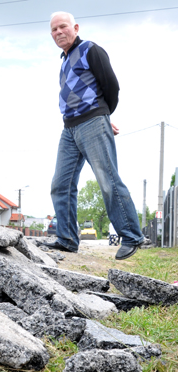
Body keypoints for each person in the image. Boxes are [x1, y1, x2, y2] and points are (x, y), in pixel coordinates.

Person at [45, 11, 144, 260]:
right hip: (69, 129)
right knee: (60, 185)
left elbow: (111, 85)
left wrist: (103, 116)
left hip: (92, 122)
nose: (58, 32)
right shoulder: (64, 61)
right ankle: (67, 239)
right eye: (54, 30)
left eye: (63, 27)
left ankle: (132, 235)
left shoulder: (90, 49)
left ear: (75, 27)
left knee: (107, 180)